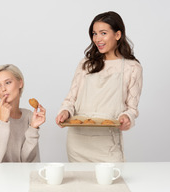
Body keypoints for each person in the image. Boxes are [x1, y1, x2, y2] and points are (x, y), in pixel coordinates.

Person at [55, 11, 143, 162]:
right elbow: (71, 99)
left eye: (103, 33)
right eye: (94, 34)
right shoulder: (86, 64)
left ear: (117, 35)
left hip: (107, 142)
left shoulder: (132, 68)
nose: (97, 39)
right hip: (78, 142)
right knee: (80, 184)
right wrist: (65, 112)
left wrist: (126, 117)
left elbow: (132, 108)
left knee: (112, 184)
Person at [0, 64, 46, 163]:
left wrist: (33, 128)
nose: (3, 89)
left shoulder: (28, 115)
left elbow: (27, 162)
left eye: (8, 82)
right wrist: (3, 121)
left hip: (19, 177)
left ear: (20, 83)